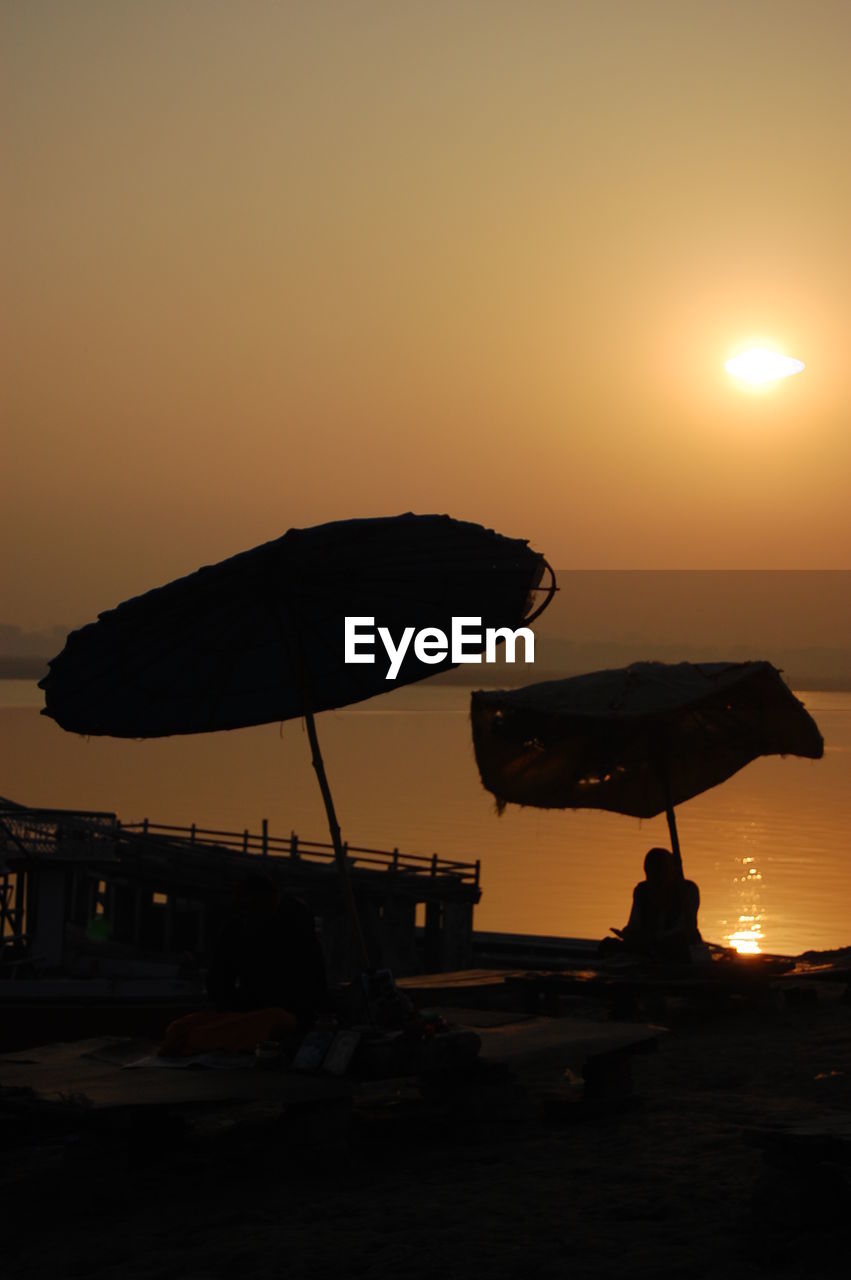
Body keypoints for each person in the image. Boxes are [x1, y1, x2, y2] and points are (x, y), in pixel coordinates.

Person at [159, 873, 327, 1056]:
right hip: (245, 1010)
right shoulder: (236, 928)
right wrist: (231, 1009)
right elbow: (219, 979)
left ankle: (201, 1041)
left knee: (270, 1021)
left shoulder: (297, 924)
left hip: (287, 1014)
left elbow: (315, 979)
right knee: (179, 1028)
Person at [206, 873, 328, 1028]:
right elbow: (219, 977)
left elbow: (315, 970)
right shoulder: (237, 927)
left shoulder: (295, 920)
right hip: (253, 1010)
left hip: (293, 1011)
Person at [613, 846, 702, 962]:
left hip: (678, 950)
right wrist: (629, 933)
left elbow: (684, 930)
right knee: (609, 945)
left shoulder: (687, 890)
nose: (654, 879)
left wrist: (656, 938)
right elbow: (634, 925)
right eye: (650, 873)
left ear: (671, 871)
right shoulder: (641, 891)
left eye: (659, 873)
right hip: (647, 949)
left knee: (677, 944)